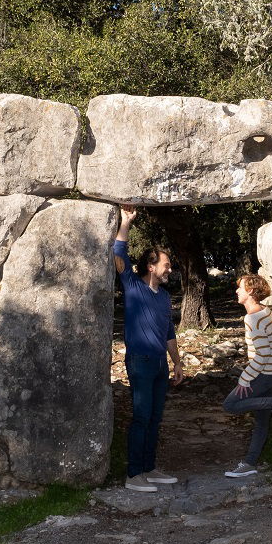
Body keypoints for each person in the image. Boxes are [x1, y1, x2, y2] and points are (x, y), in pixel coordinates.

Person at [113, 205, 185, 493]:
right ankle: (133, 475)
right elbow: (119, 255)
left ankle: (149, 468)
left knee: (155, 418)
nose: (170, 269)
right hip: (140, 361)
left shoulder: (165, 297)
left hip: (159, 364)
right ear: (151, 266)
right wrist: (126, 223)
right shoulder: (132, 286)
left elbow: (169, 332)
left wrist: (177, 363)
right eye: (166, 265)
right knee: (141, 417)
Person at [221, 273, 272, 478]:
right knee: (261, 422)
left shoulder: (252, 318)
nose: (236, 291)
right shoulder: (265, 311)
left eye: (240, 288)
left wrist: (245, 378)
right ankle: (250, 463)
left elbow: (262, 354)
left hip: (265, 374)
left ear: (250, 291)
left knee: (230, 405)